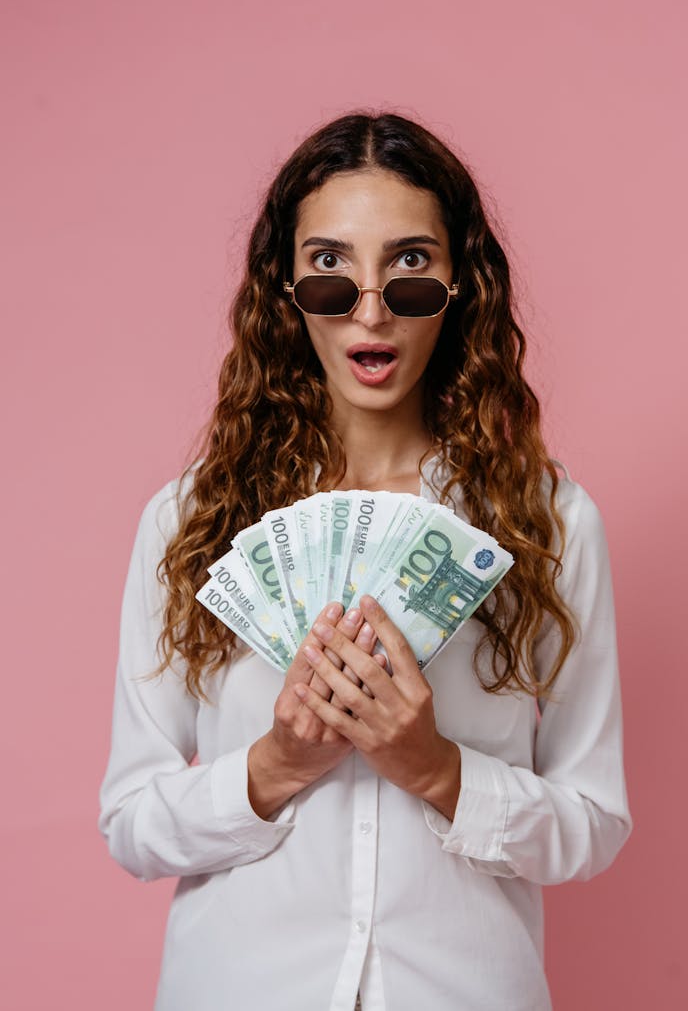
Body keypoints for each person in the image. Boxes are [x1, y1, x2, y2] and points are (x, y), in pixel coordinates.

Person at [99, 111, 632, 1011]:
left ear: (462, 284)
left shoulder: (549, 523)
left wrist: (435, 768)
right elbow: (131, 823)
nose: (372, 308)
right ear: (287, 286)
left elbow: (593, 825)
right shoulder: (192, 520)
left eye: (411, 267)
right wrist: (272, 766)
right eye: (332, 272)